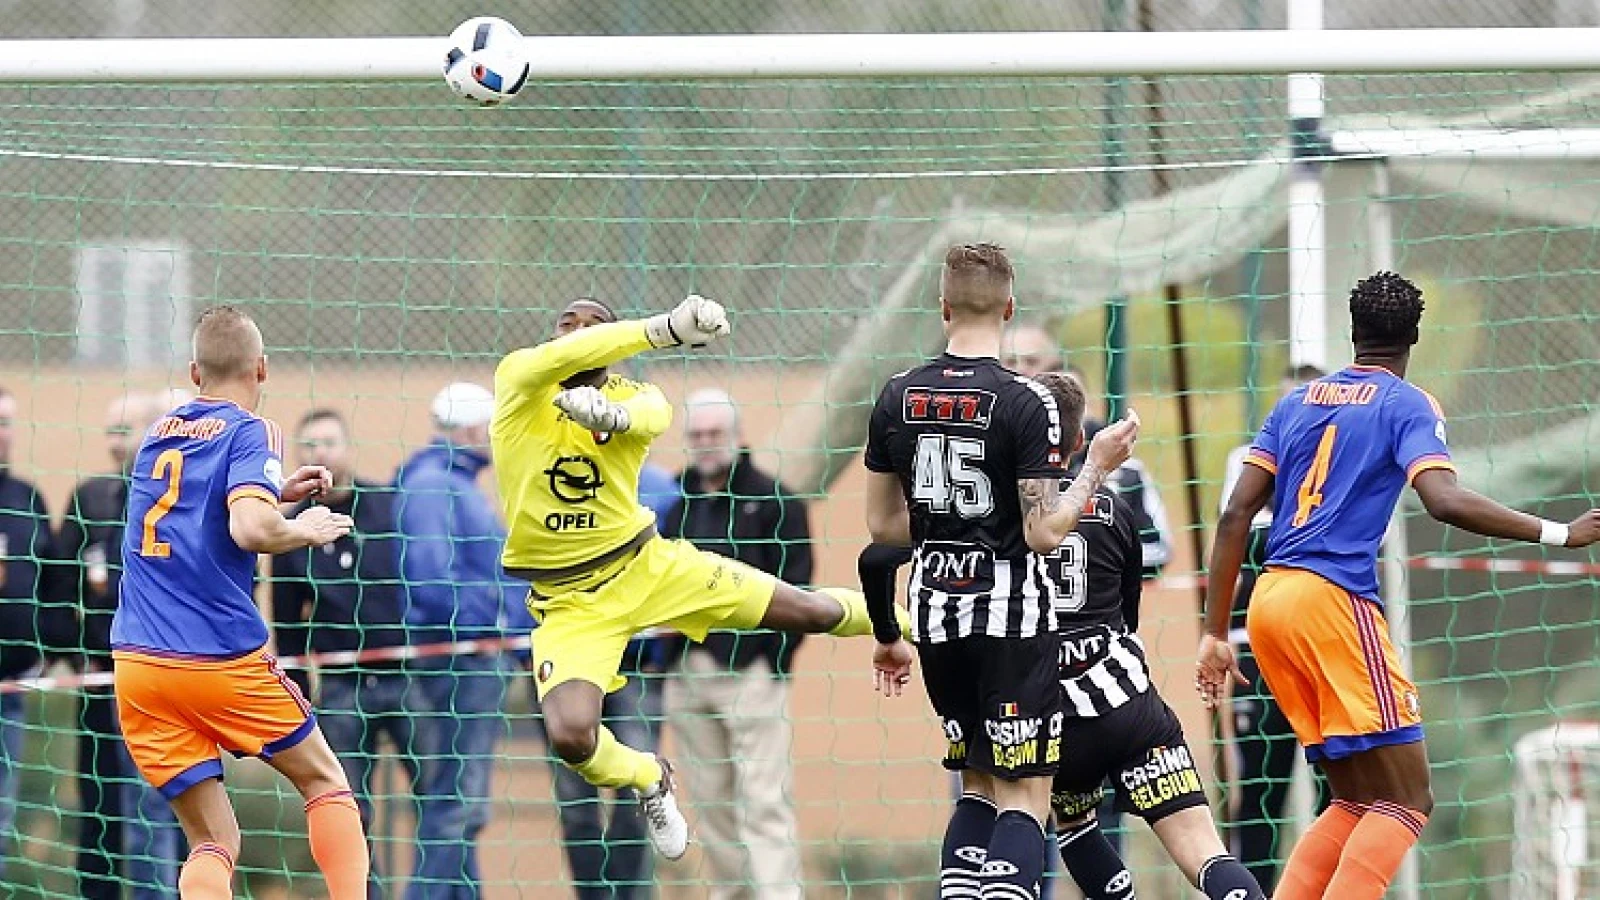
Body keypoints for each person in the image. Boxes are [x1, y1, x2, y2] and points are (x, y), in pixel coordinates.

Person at [1197, 271, 1600, 900]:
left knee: (1357, 798)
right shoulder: (1407, 403)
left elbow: (1233, 515)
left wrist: (1214, 633)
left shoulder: (1294, 403)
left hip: (1269, 603)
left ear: (1352, 332)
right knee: (1411, 798)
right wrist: (1560, 533)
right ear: (1413, 335)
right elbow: (1442, 500)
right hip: (1331, 602)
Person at [490, 294, 893, 863]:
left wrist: (615, 418)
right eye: (566, 324)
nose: (578, 333)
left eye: (593, 326)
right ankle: (648, 774)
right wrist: (665, 328)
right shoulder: (519, 385)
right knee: (572, 736)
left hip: (648, 568)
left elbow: (652, 418)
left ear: (617, 354)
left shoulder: (637, 397)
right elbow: (578, 352)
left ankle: (919, 621)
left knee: (812, 612)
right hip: (570, 603)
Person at [858, 243, 1137, 900]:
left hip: (935, 618)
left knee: (977, 786)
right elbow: (1043, 533)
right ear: (1010, 308)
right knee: (1025, 795)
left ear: (943, 307)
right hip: (1010, 622)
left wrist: (947, 527)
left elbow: (882, 527)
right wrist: (1095, 466)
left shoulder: (897, 394)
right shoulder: (1026, 400)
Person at [111, 305, 367, 899]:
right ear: (262, 369)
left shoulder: (158, 434)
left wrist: (273, 487)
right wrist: (305, 526)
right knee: (326, 781)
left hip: (140, 668)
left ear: (195, 373)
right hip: (218, 658)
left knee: (214, 841)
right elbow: (250, 529)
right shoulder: (254, 430)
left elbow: (190, 504)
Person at [1026, 372, 1263, 900]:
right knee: (1204, 848)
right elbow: (1128, 610)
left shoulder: (1008, 519)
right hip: (1129, 707)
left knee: (1076, 829)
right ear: (1082, 441)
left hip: (1051, 712)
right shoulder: (1115, 508)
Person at [662, 388, 811, 900]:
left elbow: (800, 585)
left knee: (765, 800)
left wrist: (774, 661)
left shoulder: (774, 500)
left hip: (752, 674)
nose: (705, 443)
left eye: (715, 433)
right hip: (687, 672)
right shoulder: (671, 502)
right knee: (710, 804)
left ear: (736, 435)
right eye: (696, 435)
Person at [395, 382, 534, 900]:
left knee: (460, 805)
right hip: (457, 666)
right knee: (456, 805)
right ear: (475, 429)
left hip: (471, 662)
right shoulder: (434, 487)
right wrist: (500, 616)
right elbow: (431, 584)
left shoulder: (454, 485)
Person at [271, 407, 411, 899]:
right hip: (341, 689)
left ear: (347, 448)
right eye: (309, 445)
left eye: (329, 442)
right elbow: (287, 626)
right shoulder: (288, 532)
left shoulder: (391, 507)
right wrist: (299, 697)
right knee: (348, 810)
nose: (321, 453)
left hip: (408, 678)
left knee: (442, 801)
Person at [537, 458, 677, 900]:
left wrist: (663, 650)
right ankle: (592, 896)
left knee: (639, 792)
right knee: (576, 803)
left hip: (636, 667)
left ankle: (629, 893)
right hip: (568, 668)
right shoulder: (551, 478)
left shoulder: (664, 492)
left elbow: (676, 572)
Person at [62, 392, 183, 899]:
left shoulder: (175, 504)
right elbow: (57, 582)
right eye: (110, 430)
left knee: (162, 806)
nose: (117, 442)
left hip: (164, 681)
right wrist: (74, 655)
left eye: (126, 429)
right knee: (101, 804)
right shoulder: (90, 500)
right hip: (101, 679)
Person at [1218, 364, 1330, 890]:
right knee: (1262, 788)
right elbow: (1238, 538)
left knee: (1340, 784)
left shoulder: (1345, 462)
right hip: (1257, 650)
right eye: (1288, 401)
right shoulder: (1245, 462)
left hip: (1327, 650)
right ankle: (1254, 888)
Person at [1002, 326, 1172, 579]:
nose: (1021, 370)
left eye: (1031, 361)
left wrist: (1098, 553)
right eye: (1010, 361)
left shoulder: (1126, 474)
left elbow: (1159, 549)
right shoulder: (997, 463)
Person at [0, 385, 72, 885]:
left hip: (11, 689)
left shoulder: (27, 498)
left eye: (6, 422)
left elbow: (50, 582)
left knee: (1, 809)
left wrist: (47, 647)